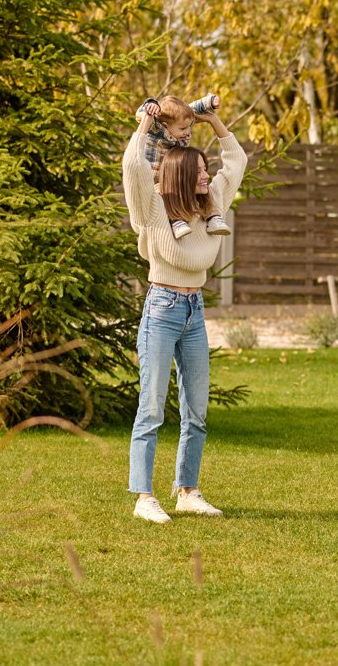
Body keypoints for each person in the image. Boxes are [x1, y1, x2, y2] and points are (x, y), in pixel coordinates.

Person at [123, 99, 247, 524]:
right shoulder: (153, 210)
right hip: (162, 307)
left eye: (205, 169)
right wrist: (145, 124)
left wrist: (211, 120)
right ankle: (144, 497)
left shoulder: (209, 207)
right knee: (152, 406)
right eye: (197, 171)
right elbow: (135, 169)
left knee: (197, 408)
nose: (206, 175)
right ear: (178, 174)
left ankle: (187, 491)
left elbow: (236, 162)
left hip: (194, 309)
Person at [137, 95, 232, 240]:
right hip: (155, 178)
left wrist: (210, 102)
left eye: (189, 127)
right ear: (166, 125)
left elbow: (193, 107)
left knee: (201, 191)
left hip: (176, 175)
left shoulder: (181, 118)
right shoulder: (157, 127)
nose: (187, 132)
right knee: (166, 196)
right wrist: (151, 105)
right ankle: (176, 221)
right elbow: (141, 113)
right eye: (182, 128)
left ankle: (213, 217)